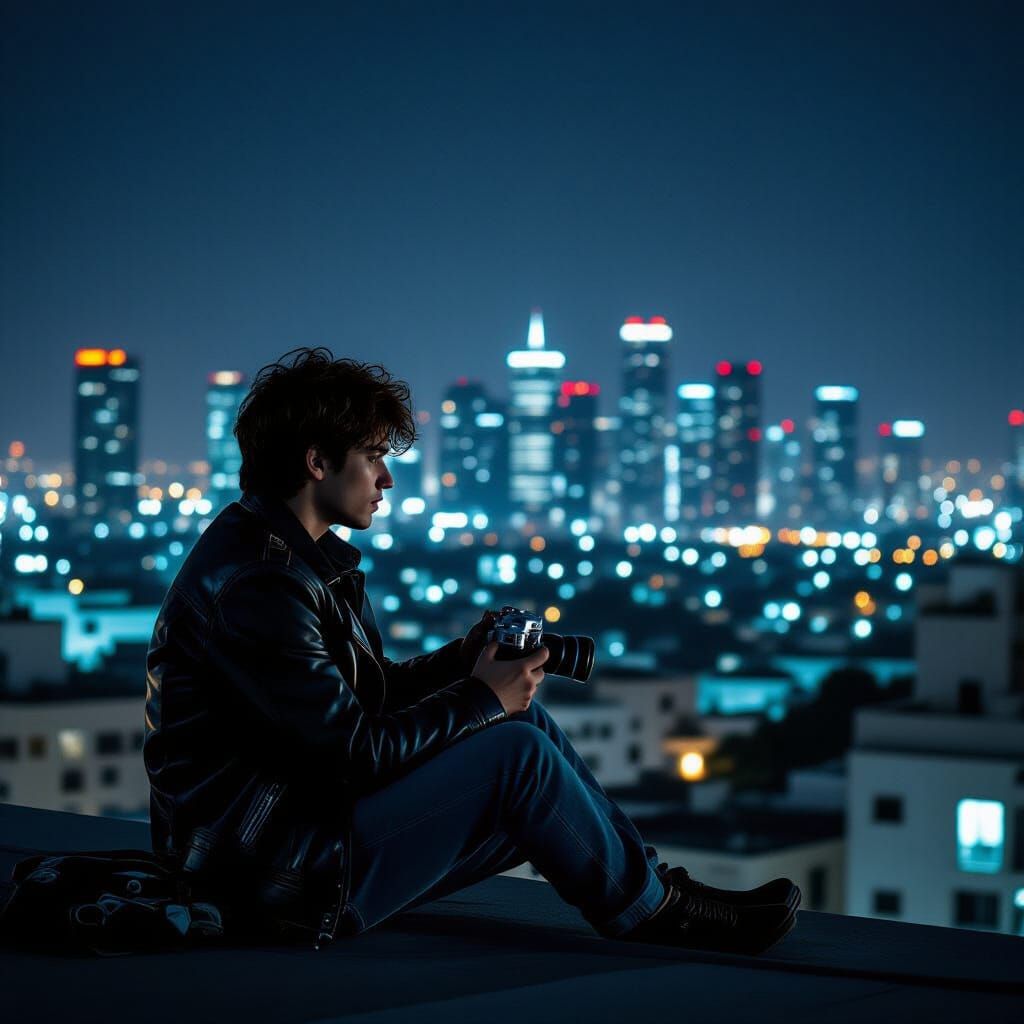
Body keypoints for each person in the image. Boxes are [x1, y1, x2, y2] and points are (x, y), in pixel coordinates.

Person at [143, 347, 800, 954]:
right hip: (263, 874)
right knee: (515, 750)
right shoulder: (261, 582)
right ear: (317, 463)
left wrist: (465, 660)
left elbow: (365, 704)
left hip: (290, 842)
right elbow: (350, 756)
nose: (388, 478)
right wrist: (481, 697)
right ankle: (656, 913)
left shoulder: (300, 563)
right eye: (373, 456)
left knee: (522, 721)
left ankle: (659, 893)